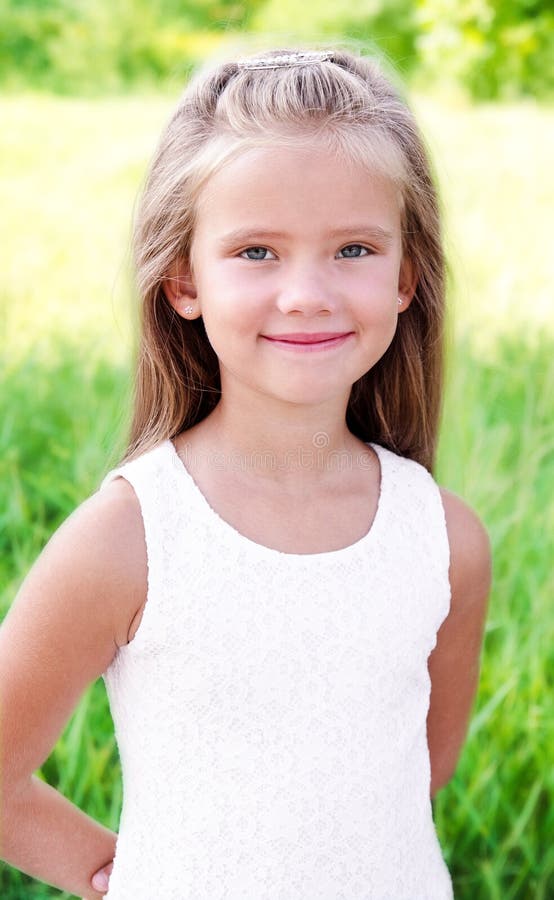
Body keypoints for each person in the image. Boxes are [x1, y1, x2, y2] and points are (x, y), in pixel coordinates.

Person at [0, 47, 491, 899]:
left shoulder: (444, 538)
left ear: (407, 276)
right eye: (257, 252)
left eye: (354, 249)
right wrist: (131, 875)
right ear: (183, 279)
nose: (306, 292)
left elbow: (417, 773)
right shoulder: (130, 538)